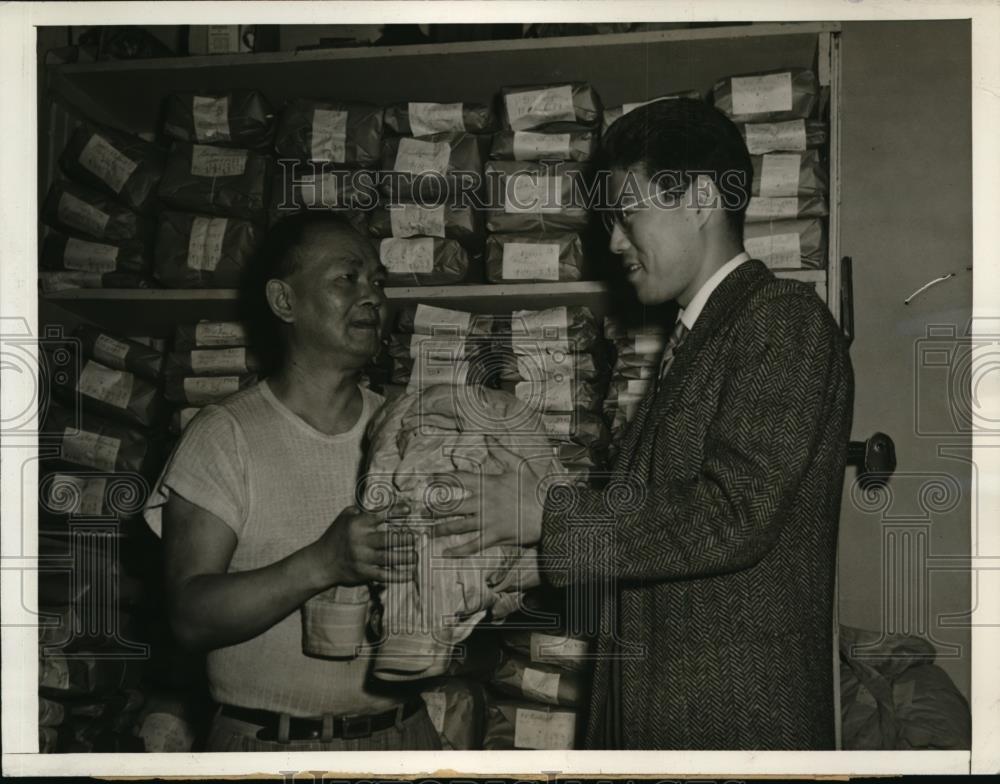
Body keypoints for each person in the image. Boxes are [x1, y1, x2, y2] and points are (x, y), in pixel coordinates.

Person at [433, 99, 855, 749]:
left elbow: (730, 517)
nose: (613, 243)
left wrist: (544, 515)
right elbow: (663, 550)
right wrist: (535, 565)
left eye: (628, 217)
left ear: (700, 199)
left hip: (731, 728)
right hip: (673, 715)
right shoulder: (696, 342)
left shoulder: (782, 321)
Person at [143, 213, 440, 751]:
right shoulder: (224, 436)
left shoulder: (409, 432)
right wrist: (323, 563)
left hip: (404, 740)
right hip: (269, 748)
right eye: (347, 278)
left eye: (378, 281)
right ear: (284, 301)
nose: (372, 296)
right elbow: (189, 616)